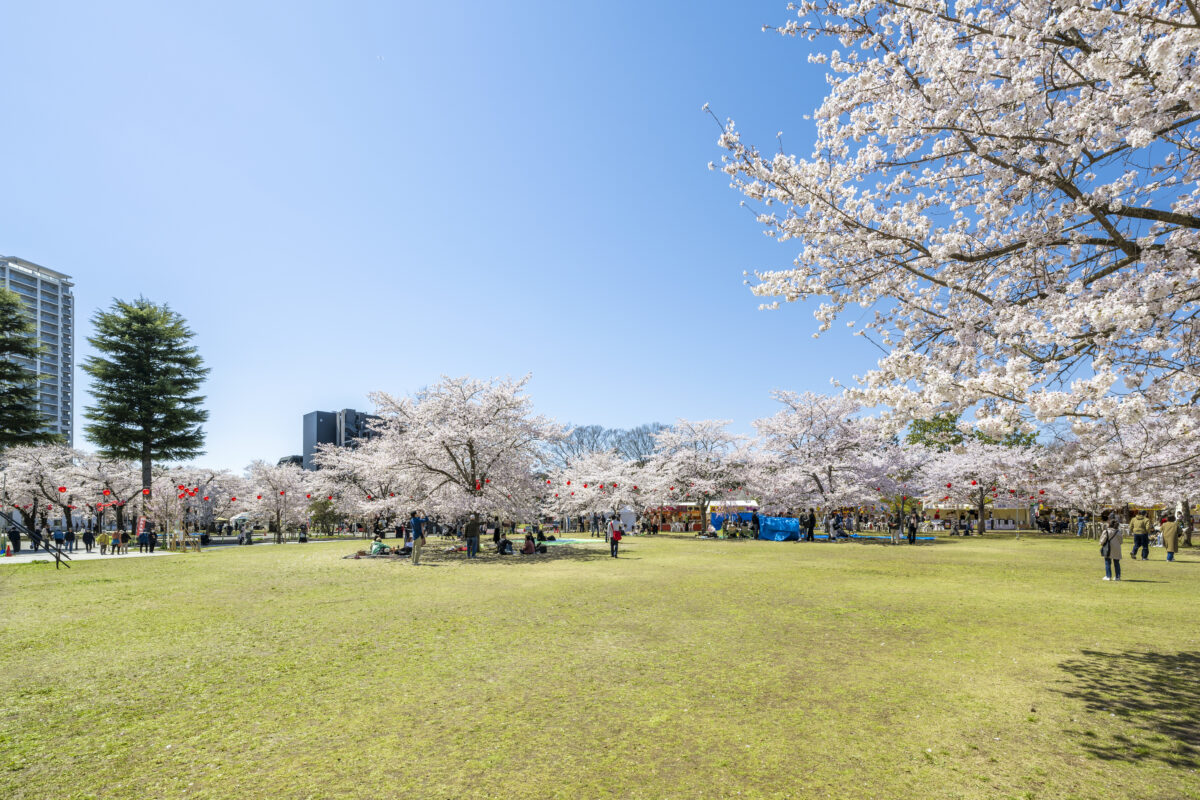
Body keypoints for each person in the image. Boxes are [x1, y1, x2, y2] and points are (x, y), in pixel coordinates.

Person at [1099, 515, 1123, 580]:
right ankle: (1117, 577)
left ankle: (1108, 576)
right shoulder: (1118, 532)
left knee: (1107, 562)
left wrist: (1101, 543)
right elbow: (1121, 541)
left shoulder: (1106, 531)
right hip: (1116, 548)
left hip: (1108, 548)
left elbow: (1102, 540)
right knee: (1117, 563)